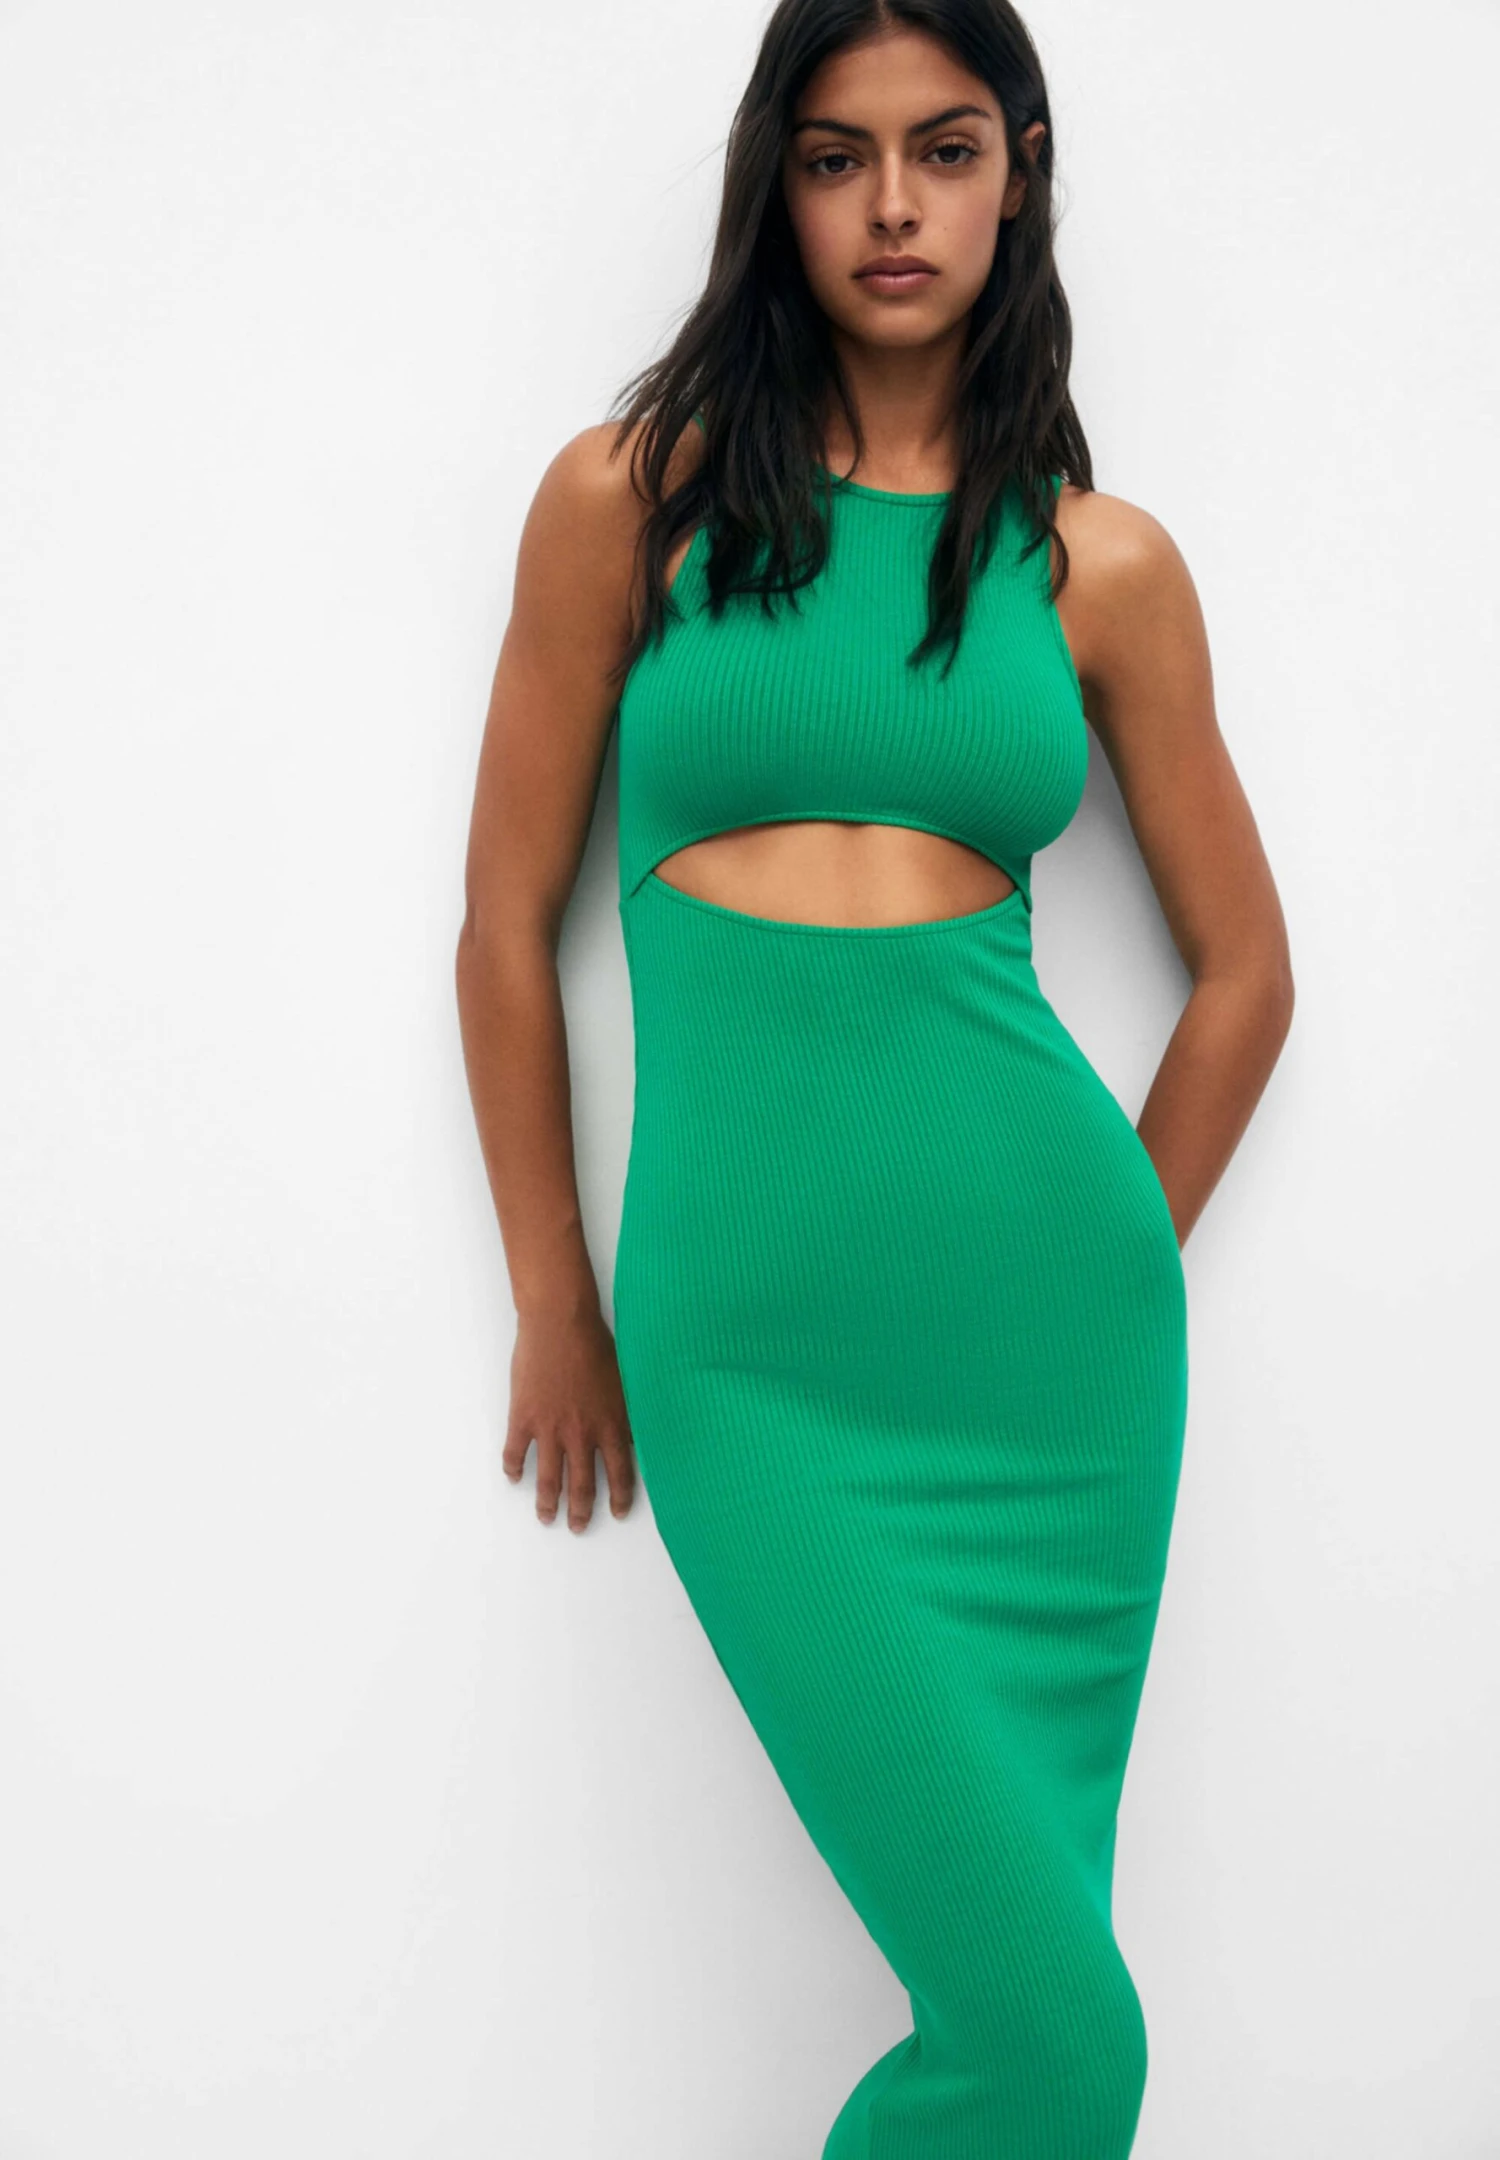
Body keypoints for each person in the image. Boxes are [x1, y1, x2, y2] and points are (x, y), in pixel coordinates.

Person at [456, 0, 1294, 2150]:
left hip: (1047, 1362)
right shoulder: (625, 504)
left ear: (1019, 169)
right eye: (838, 157)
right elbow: (502, 929)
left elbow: (1246, 976)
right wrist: (555, 1292)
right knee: (1057, 2034)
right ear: (780, 187)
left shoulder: (1100, 567)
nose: (894, 206)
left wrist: (1108, 1257)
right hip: (748, 1355)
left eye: (944, 149)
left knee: (1038, 2025)